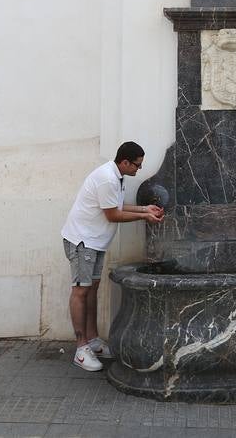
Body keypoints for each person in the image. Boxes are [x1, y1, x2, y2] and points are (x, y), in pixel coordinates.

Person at [61, 141, 164, 371]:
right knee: (80, 291)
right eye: (136, 165)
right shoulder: (108, 178)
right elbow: (113, 215)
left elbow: (117, 205)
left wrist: (145, 209)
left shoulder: (117, 176)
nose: (138, 169)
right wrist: (144, 217)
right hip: (82, 242)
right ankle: (81, 349)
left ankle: (93, 340)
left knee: (91, 290)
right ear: (125, 162)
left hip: (94, 243)